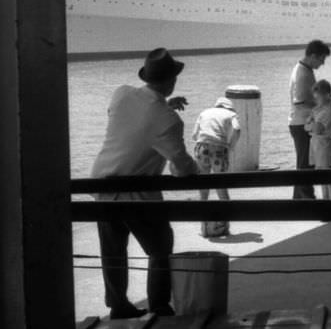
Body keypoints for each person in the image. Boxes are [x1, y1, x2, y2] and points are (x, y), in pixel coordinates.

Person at [90, 48, 199, 319]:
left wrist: (164, 106)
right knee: (160, 245)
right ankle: (159, 306)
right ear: (172, 81)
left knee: (113, 249)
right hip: (135, 193)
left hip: (101, 185)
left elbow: (136, 120)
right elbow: (182, 167)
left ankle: (118, 305)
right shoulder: (168, 121)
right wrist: (196, 167)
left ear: (146, 76)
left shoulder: (121, 94)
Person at [192, 93, 242, 237]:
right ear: (229, 108)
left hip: (201, 147)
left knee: (203, 188)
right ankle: (225, 226)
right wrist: (230, 146)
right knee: (221, 187)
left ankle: (204, 228)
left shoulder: (204, 112)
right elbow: (237, 129)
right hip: (219, 149)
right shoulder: (230, 114)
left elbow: (194, 135)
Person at [289, 39, 331, 199]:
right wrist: (321, 105)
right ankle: (309, 200)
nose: (323, 63)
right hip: (302, 123)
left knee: (303, 163)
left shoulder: (303, 69)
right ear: (313, 56)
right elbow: (300, 102)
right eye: (322, 59)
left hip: (299, 122)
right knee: (307, 165)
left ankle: (298, 200)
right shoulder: (303, 74)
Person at [305, 79, 331, 200]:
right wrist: (310, 125)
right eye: (315, 98)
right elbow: (307, 125)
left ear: (327, 96)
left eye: (318, 98)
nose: (316, 101)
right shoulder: (319, 110)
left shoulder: (329, 111)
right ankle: (325, 200)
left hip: (324, 146)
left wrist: (310, 125)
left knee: (328, 176)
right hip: (317, 145)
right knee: (323, 177)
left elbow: (316, 129)